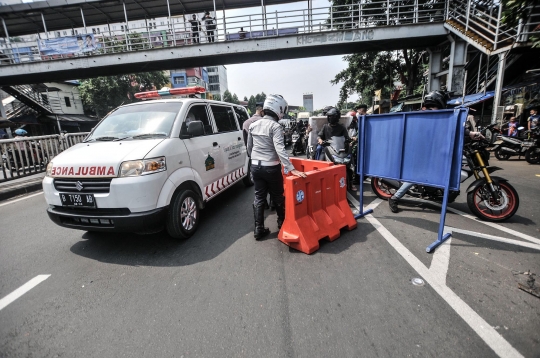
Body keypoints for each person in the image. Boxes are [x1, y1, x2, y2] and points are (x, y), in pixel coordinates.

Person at [388, 90, 485, 213]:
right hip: (420, 153)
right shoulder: (425, 115)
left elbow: (453, 127)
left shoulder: (436, 115)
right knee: (417, 176)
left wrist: (469, 134)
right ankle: (395, 198)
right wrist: (470, 133)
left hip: (431, 152)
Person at [247, 94, 306, 240]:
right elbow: (280, 149)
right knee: (278, 195)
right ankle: (282, 223)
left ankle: (258, 229)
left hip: (255, 166)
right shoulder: (275, 126)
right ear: (279, 109)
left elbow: (249, 148)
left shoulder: (253, 125)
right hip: (271, 167)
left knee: (259, 196)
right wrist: (292, 168)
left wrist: (255, 159)